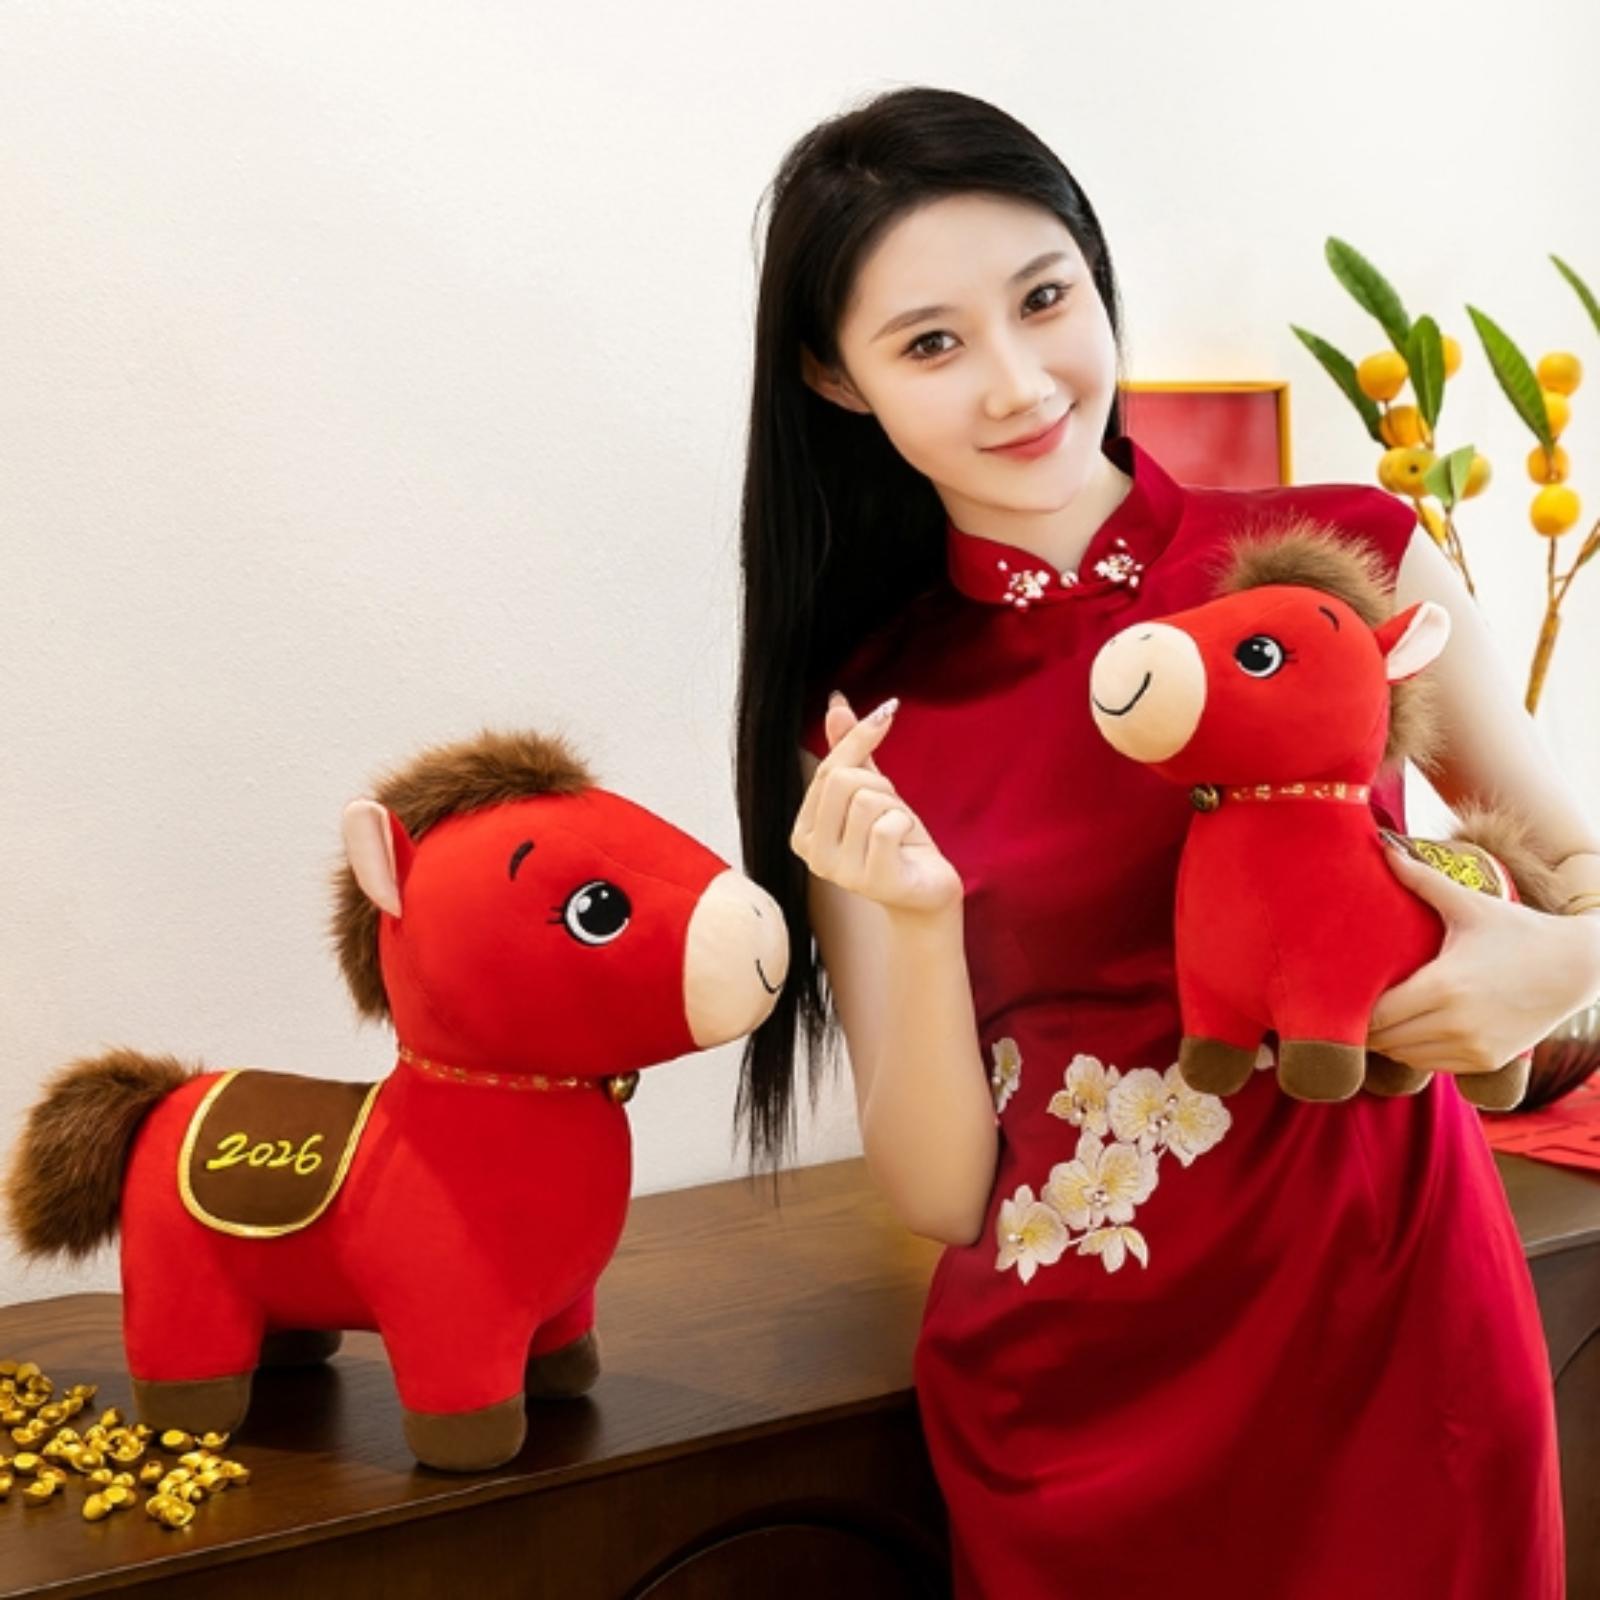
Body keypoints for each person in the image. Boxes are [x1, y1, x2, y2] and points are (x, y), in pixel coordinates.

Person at [731, 85, 1600, 1598]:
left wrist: (1548, 972)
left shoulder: (1353, 556)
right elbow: (941, 1193)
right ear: (835, 378)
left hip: (1401, 1346)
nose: (1018, 383)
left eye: (1044, 298)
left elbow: (1580, 877)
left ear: (1096, 273)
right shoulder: (865, 716)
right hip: (1074, 1411)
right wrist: (916, 919)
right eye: (931, 344)